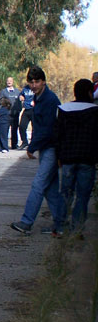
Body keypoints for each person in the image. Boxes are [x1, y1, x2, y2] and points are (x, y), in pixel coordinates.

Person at [10, 66, 65, 236]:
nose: (33, 85)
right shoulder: (39, 97)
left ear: (44, 82)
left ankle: (26, 223)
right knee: (50, 189)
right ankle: (61, 225)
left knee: (38, 185)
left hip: (51, 148)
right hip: (46, 148)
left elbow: (48, 129)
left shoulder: (49, 100)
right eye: (31, 82)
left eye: (37, 82)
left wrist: (32, 147)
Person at [56, 79, 98, 232]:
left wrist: (58, 156)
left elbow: (59, 135)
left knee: (65, 193)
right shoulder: (94, 111)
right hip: (87, 159)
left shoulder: (64, 109)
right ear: (89, 92)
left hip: (67, 158)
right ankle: (77, 229)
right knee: (83, 196)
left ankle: (60, 226)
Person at [0, 77, 21, 147]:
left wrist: (19, 109)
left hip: (15, 114)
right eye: (8, 81)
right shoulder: (3, 91)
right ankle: (4, 145)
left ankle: (14, 144)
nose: (9, 82)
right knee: (5, 130)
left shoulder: (17, 91)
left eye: (10, 81)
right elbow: (0, 102)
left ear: (13, 82)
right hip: (6, 114)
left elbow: (19, 102)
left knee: (14, 129)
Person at [17, 82, 35, 149]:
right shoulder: (25, 88)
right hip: (26, 110)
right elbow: (21, 95)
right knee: (22, 126)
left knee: (35, 128)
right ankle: (24, 142)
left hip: (34, 110)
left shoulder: (36, 88)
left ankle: (33, 144)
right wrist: (21, 97)